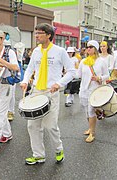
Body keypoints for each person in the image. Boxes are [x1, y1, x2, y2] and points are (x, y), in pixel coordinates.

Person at [20, 23, 75, 165]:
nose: (36, 35)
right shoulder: (36, 51)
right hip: (36, 92)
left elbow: (71, 71)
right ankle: (38, 155)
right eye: (36, 33)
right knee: (32, 126)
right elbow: (29, 69)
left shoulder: (59, 51)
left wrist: (59, 83)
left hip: (51, 93)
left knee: (51, 126)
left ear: (49, 35)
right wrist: (25, 81)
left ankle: (58, 149)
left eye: (39, 33)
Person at [77, 40, 109, 143]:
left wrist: (99, 77)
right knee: (87, 111)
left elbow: (107, 75)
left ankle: (92, 133)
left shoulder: (101, 61)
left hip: (95, 90)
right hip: (84, 90)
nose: (88, 49)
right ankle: (90, 128)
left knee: (91, 111)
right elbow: (79, 75)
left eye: (90, 47)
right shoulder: (83, 61)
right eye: (87, 47)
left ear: (95, 49)